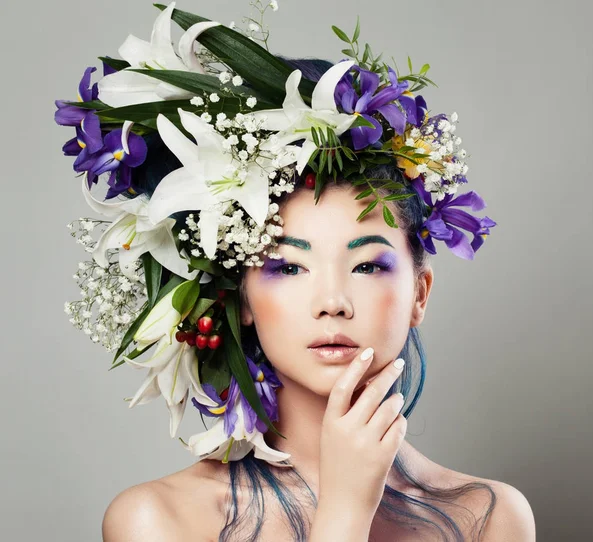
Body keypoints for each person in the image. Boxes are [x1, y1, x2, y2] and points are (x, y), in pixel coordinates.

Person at [54, 3, 536, 540]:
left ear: (420, 292)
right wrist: (345, 512)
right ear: (238, 298)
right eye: (288, 266)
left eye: (368, 264)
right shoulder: (159, 521)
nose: (332, 301)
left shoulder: (489, 518)